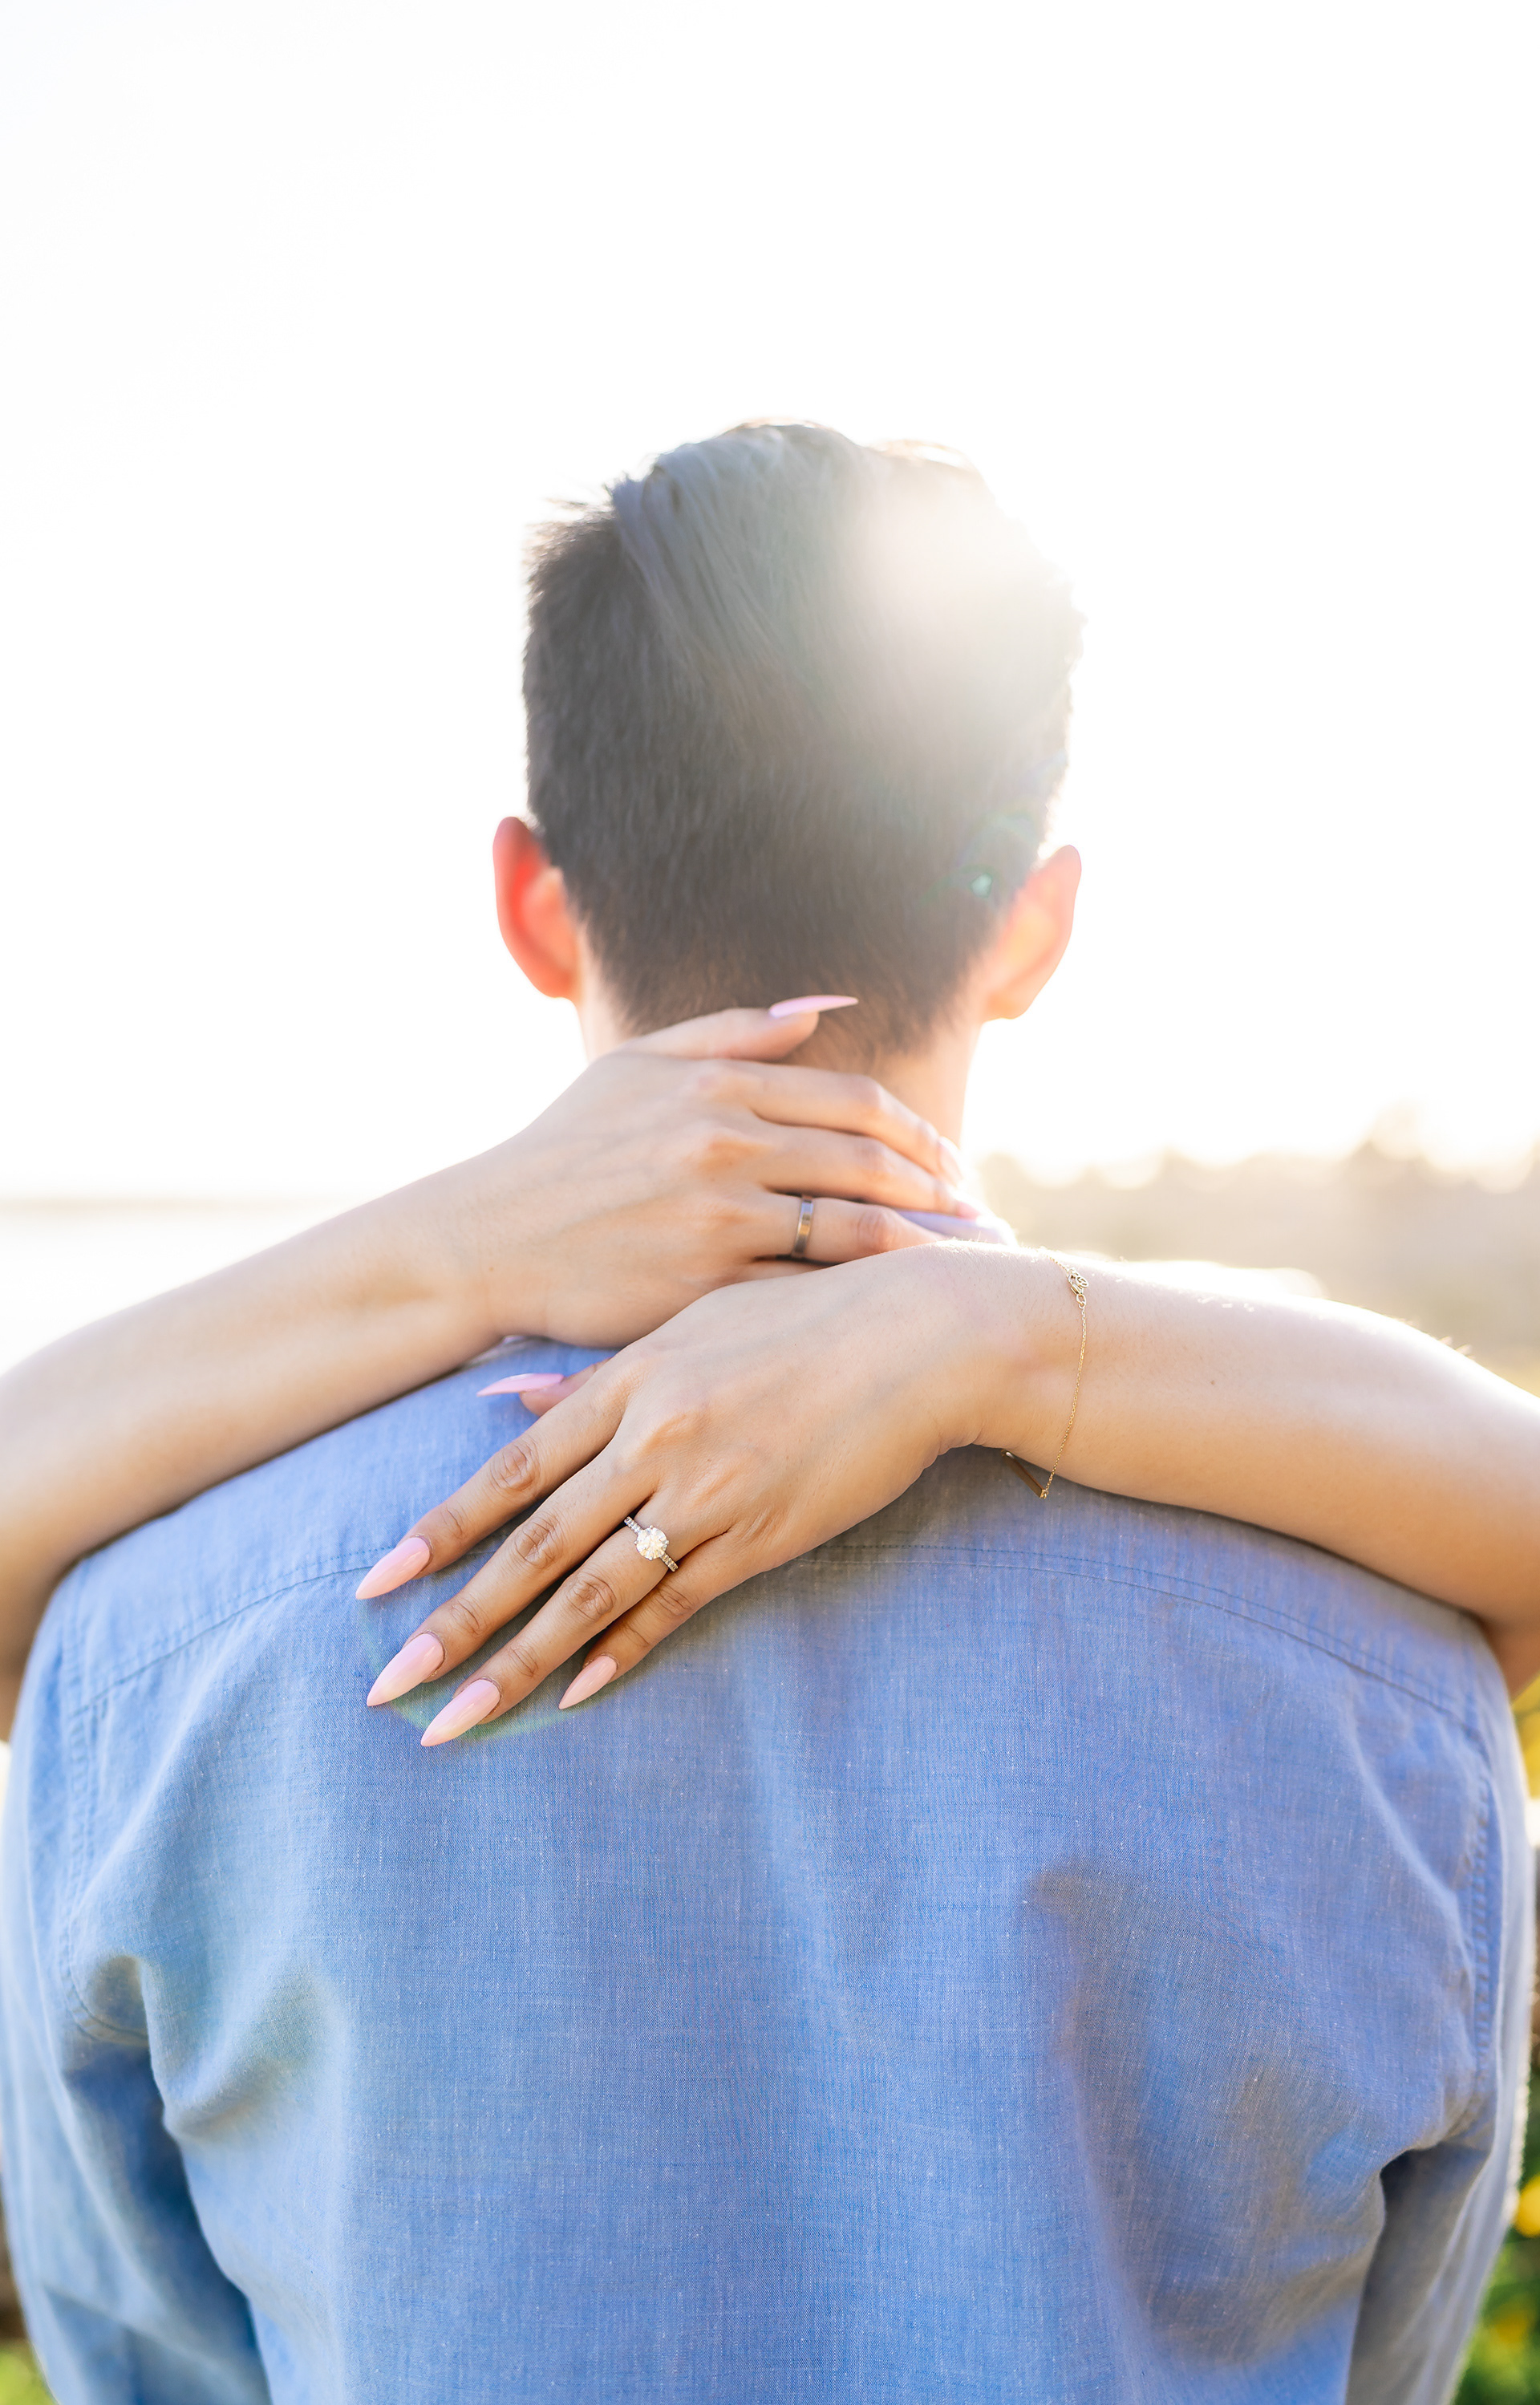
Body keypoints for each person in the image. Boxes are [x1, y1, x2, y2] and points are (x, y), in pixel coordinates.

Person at [1, 424, 1534, 2403]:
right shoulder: (1391, 1664)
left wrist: (446, 1250)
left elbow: (146, 2349)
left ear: (533, 903)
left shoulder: (148, 1650)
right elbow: (1378, 2351)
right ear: (1036, 922)